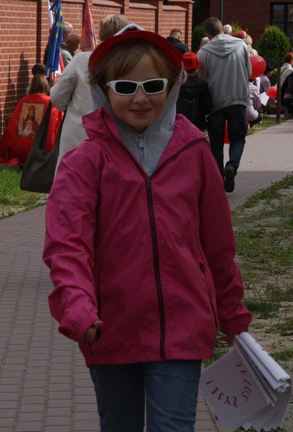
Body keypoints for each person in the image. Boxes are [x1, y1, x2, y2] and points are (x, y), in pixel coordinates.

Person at [43, 23, 252, 432]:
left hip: (182, 326)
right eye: (125, 87)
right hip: (109, 326)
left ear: (172, 86)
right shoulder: (85, 163)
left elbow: (218, 245)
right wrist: (79, 306)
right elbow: (68, 245)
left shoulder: (193, 152)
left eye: (153, 85)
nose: (140, 98)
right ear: (104, 89)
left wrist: (231, 312)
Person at [50, 14, 129, 170]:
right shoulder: (131, 65)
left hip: (79, 135)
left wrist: (75, 107)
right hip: (117, 138)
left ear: (101, 35)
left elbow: (57, 97)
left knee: (72, 186)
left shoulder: (81, 60)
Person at [197, 17, 251, 193]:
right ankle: (232, 166)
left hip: (216, 101)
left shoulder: (204, 52)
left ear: (208, 33)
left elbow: (202, 79)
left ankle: (218, 177)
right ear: (222, 28)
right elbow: (248, 71)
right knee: (238, 138)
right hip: (238, 98)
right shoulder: (241, 45)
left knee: (216, 141)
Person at [0, 74, 63, 167]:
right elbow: (58, 124)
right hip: (41, 150)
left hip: (19, 150)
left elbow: (11, 127)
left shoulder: (23, 101)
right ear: (46, 86)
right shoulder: (50, 103)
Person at [177, 51, 210, 130]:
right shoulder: (203, 85)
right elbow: (209, 106)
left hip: (179, 123)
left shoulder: (176, 85)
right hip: (198, 124)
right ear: (197, 68)